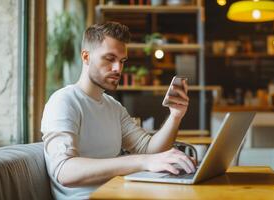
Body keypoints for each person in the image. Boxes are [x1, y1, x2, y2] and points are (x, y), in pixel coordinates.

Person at [41, 21, 195, 199]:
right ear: (86, 57)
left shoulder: (113, 107)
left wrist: (175, 116)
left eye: (122, 61)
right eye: (109, 59)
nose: (118, 69)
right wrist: (142, 162)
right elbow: (64, 171)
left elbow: (150, 150)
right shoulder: (63, 101)